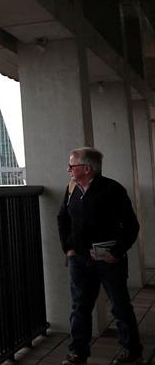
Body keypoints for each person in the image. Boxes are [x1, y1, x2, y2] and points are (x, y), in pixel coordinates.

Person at [58, 146, 142, 364]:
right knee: (80, 307)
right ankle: (78, 352)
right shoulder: (71, 189)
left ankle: (131, 352)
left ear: (87, 168)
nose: (68, 169)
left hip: (109, 260)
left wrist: (117, 252)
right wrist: (67, 248)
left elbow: (131, 225)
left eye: (72, 165)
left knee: (120, 305)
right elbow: (63, 219)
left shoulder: (113, 190)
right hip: (80, 260)